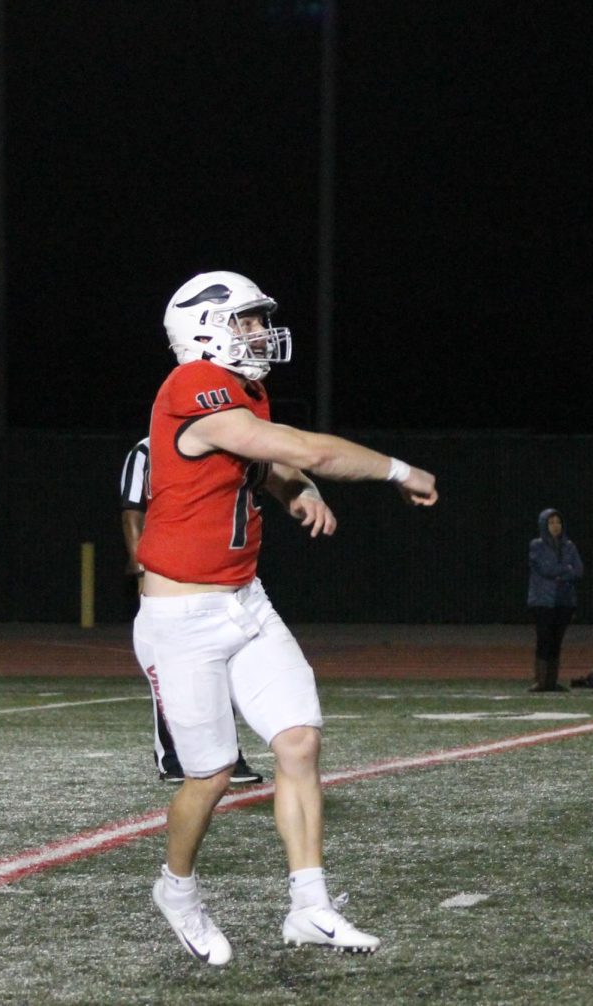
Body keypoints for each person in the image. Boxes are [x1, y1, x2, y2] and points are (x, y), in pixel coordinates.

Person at [137, 271, 438, 966]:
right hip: (183, 613)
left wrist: (294, 491)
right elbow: (305, 450)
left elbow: (266, 461)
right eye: (244, 321)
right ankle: (175, 890)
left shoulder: (243, 392)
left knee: (298, 741)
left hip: (245, 598)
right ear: (207, 328)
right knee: (210, 775)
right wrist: (399, 470)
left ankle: (311, 907)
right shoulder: (193, 388)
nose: (257, 332)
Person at [120, 435, 262, 785]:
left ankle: (228, 756)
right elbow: (131, 511)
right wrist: (141, 569)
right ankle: (172, 756)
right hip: (167, 578)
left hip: (216, 574)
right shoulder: (146, 450)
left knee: (223, 666)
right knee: (166, 668)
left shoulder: (226, 442)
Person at [527, 508, 583, 691]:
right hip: (542, 601)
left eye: (558, 522)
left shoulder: (570, 546)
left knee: (557, 641)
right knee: (544, 639)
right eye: (551, 522)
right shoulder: (536, 545)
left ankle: (551, 681)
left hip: (564, 601)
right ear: (544, 525)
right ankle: (541, 681)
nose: (555, 526)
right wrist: (565, 570)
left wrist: (563, 572)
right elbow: (546, 569)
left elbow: (578, 570)